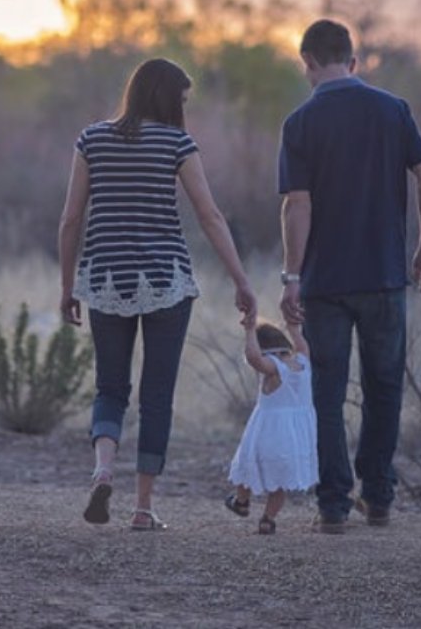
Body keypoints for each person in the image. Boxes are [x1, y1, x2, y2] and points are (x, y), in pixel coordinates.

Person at [57, 58, 257, 531]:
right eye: (183, 100)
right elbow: (210, 216)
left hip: (105, 278)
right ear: (168, 98)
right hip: (166, 280)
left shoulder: (92, 139)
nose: (185, 109)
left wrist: (68, 287)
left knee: (110, 387)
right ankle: (143, 508)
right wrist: (241, 279)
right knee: (157, 395)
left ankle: (104, 468)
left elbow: (70, 220)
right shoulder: (177, 143)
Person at [277, 19, 421, 534]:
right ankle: (378, 497)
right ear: (353, 60)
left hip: (325, 282)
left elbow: (296, 205)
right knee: (384, 387)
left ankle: (332, 505)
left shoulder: (300, 122)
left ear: (307, 62)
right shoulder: (393, 110)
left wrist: (291, 275)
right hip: (385, 276)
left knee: (326, 393)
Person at [224, 318, 319, 535]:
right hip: (295, 438)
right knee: (279, 483)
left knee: (247, 467)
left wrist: (249, 331)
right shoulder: (303, 362)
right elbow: (303, 345)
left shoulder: (273, 368)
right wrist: (293, 328)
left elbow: (254, 358)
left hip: (268, 433)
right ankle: (268, 519)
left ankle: (241, 501)